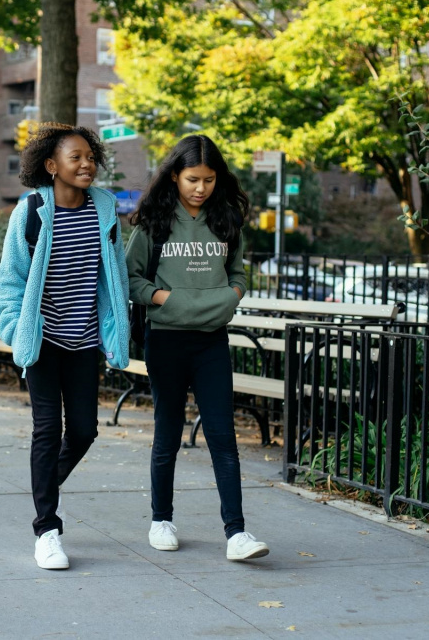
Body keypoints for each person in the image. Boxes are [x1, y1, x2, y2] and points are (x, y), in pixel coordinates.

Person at [126, 134, 269, 561]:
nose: (200, 188)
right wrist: (165, 299)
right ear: (175, 175)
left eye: (208, 179)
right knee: (167, 432)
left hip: (211, 341)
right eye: (192, 179)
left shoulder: (226, 219)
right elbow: (132, 279)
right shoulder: (156, 222)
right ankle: (161, 520)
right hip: (166, 340)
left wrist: (234, 294)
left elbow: (240, 271)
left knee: (223, 435)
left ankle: (237, 534)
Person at [0, 123, 130, 570]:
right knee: (47, 428)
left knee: (86, 430)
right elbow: (10, 279)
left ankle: (43, 495)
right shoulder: (31, 211)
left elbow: (115, 277)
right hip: (43, 340)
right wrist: (16, 329)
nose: (87, 164)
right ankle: (47, 529)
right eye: (76, 157)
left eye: (91, 156)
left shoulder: (105, 210)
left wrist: (116, 331)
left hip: (84, 340)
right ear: (52, 166)